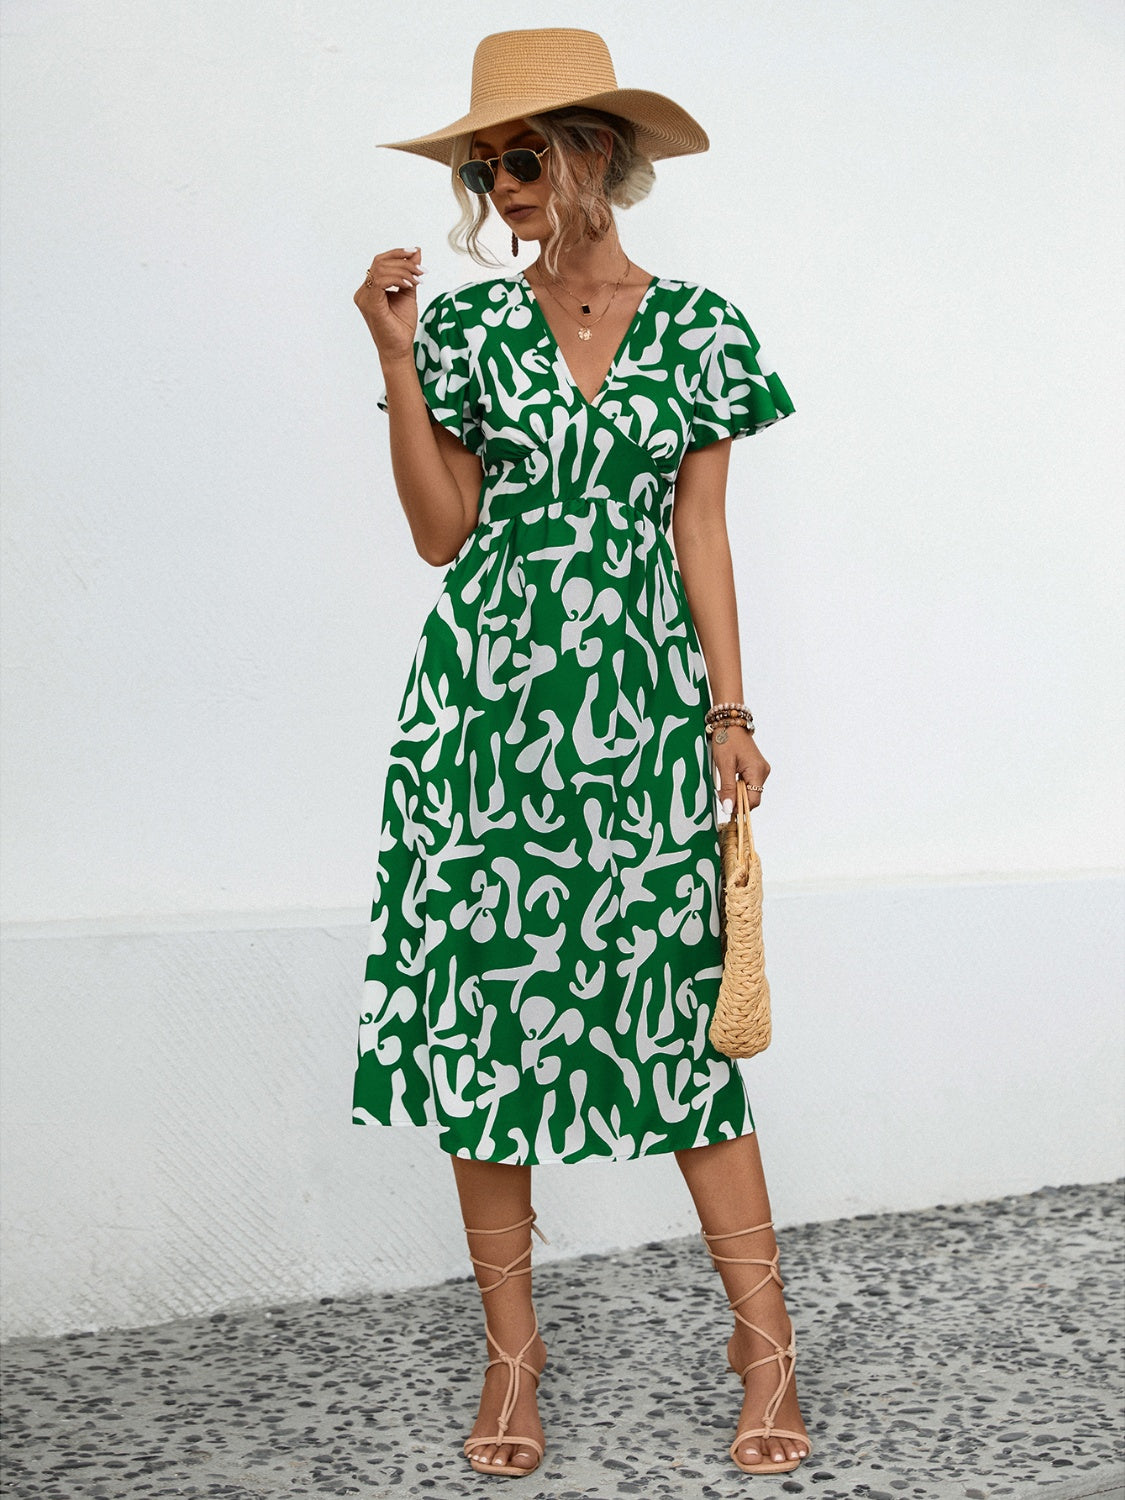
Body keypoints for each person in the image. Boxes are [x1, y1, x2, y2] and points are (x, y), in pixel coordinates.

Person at [351, 26, 811, 1481]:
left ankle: (765, 1347)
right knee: (484, 1029)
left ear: (596, 155)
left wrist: (729, 713)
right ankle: (512, 1359)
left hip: (643, 714)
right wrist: (396, 356)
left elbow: (700, 531)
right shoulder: (468, 332)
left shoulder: (703, 328)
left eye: (522, 155)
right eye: (484, 164)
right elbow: (441, 534)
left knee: (684, 1023)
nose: (500, 184)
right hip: (486, 721)